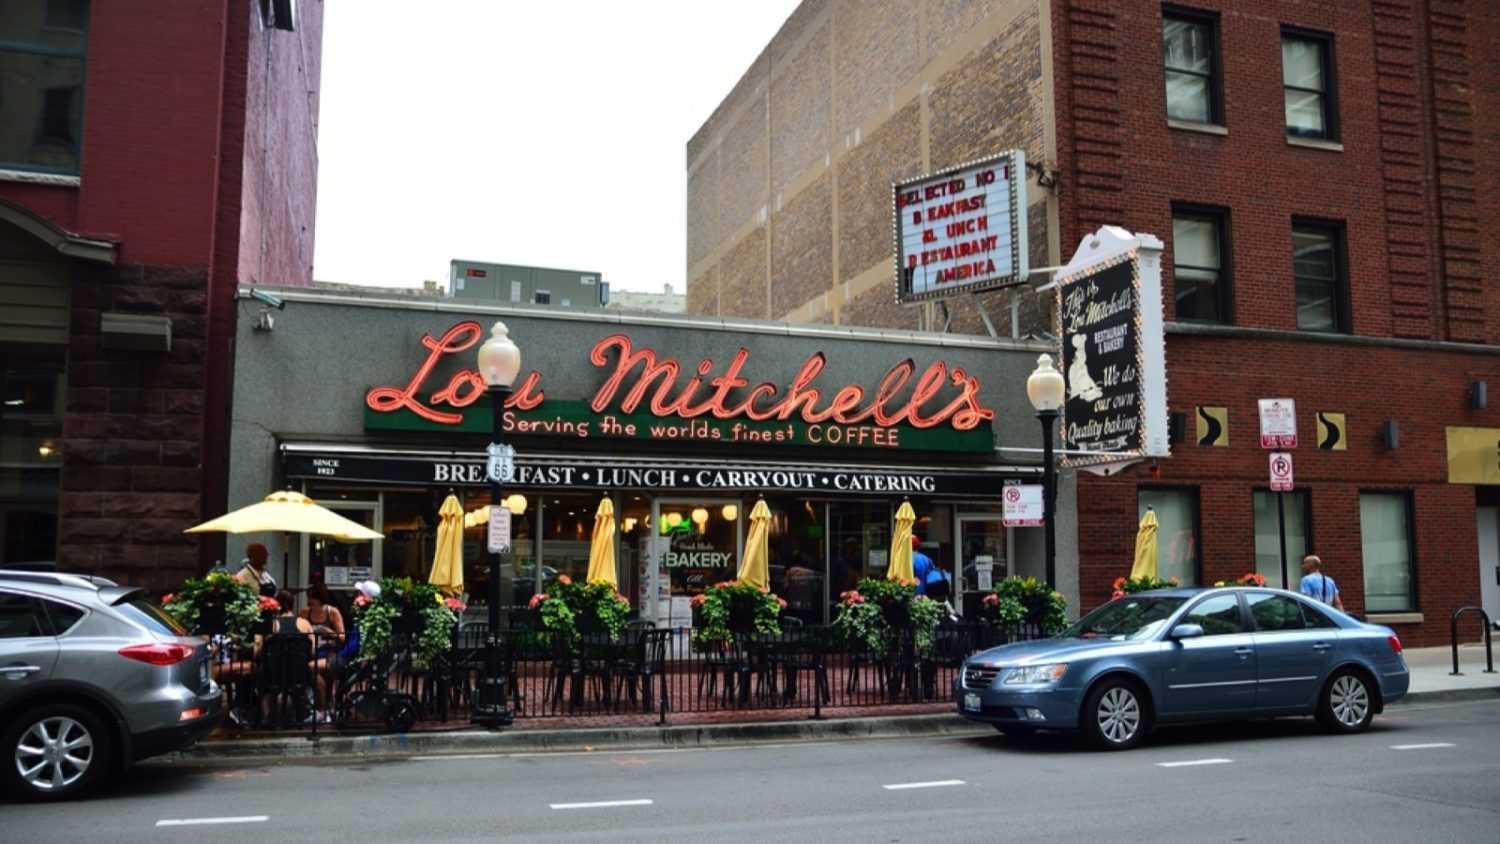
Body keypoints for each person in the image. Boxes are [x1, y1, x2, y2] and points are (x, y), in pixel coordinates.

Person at [300, 585, 346, 701]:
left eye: (311, 599)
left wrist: (328, 631)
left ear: (320, 599)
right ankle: (323, 703)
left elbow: (342, 637)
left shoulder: (332, 612)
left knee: (311, 668)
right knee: (309, 669)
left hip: (331, 654)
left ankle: (322, 706)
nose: (309, 601)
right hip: (311, 652)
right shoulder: (305, 612)